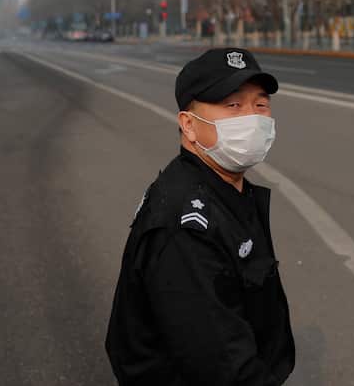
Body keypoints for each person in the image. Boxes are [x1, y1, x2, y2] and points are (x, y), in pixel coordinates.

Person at [106, 48, 294, 386]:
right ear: (189, 126)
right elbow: (220, 364)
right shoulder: (185, 227)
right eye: (233, 105)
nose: (252, 118)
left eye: (260, 104)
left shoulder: (224, 189)